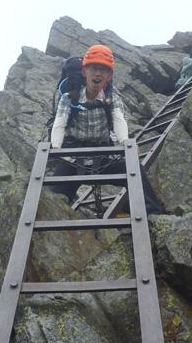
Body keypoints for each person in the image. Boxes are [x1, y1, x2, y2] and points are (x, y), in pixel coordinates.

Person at [50, 44, 164, 215]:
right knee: (53, 197)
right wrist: (56, 147)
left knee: (134, 169)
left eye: (103, 70)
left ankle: (152, 213)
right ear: (84, 72)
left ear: (109, 76)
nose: (98, 74)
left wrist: (126, 142)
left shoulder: (112, 98)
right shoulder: (69, 98)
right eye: (94, 68)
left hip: (102, 155)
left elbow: (118, 120)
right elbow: (60, 122)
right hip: (73, 158)